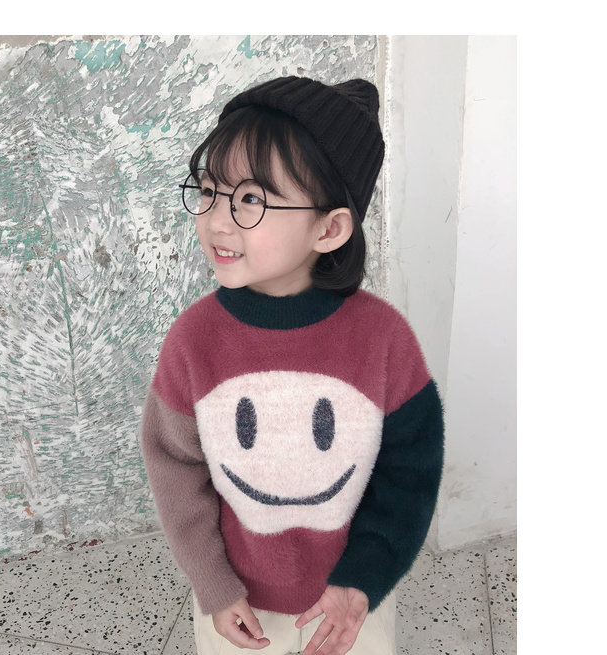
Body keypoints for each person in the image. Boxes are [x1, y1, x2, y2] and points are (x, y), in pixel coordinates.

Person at [140, 76, 444, 655]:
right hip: (238, 604)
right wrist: (213, 584)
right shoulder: (193, 340)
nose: (217, 220)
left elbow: (409, 475)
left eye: (251, 200)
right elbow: (175, 469)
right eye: (210, 190)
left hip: (349, 604)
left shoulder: (384, 340)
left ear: (328, 228)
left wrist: (362, 579)